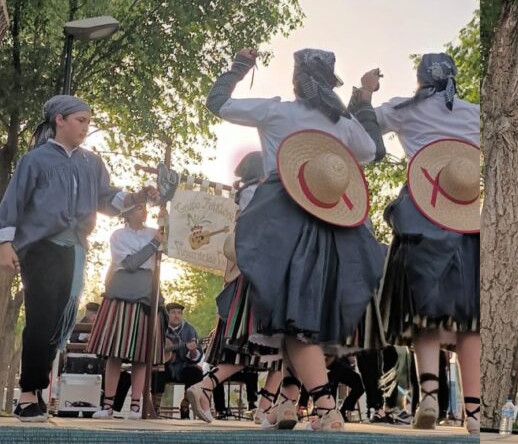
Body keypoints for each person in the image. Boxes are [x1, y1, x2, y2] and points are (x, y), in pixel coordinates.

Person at [205, 47, 386, 432]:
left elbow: (217, 103)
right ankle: (293, 405)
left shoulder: (278, 112)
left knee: (291, 321)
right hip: (331, 228)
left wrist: (240, 66)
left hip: (279, 224)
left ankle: (322, 406)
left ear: (296, 80)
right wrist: (364, 101)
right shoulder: (345, 124)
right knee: (305, 321)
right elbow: (374, 151)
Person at [0, 95, 157, 422]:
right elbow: (14, 201)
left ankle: (37, 392)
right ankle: (27, 395)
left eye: (88, 121)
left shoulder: (91, 162)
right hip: (41, 247)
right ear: (60, 120)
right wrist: (5, 243)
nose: (86, 126)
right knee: (40, 317)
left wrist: (138, 196)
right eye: (81, 120)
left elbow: (108, 199)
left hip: (76, 250)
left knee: (58, 321)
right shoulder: (35, 160)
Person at [362, 53, 481, 434]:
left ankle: (428, 395)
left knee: (423, 310)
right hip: (466, 215)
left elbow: (363, 131)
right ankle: (475, 414)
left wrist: (364, 93)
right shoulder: (473, 113)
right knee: (469, 319)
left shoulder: (402, 108)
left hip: (421, 210)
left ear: (419, 79)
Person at [184, 151, 287, 428]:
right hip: (260, 278)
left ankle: (260, 408)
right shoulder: (260, 194)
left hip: (247, 277)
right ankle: (208, 387)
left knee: (266, 350)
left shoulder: (246, 195)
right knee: (267, 346)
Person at [88, 202, 166, 419]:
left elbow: (167, 245)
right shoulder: (118, 236)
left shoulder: (155, 231)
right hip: (121, 292)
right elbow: (130, 263)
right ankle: (108, 405)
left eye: (144, 208)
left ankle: (135, 405)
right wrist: (153, 245)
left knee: (141, 354)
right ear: (128, 213)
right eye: (139, 208)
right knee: (115, 353)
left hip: (147, 292)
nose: (144, 211)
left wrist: (164, 220)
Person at [152, 303, 203, 417]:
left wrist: (193, 351)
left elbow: (196, 356)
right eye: (173, 312)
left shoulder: (189, 330)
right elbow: (151, 346)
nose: (177, 316)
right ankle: (155, 408)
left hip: (182, 367)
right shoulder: (160, 328)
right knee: (157, 374)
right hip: (165, 367)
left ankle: (185, 405)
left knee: (197, 373)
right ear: (168, 315)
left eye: (179, 313)